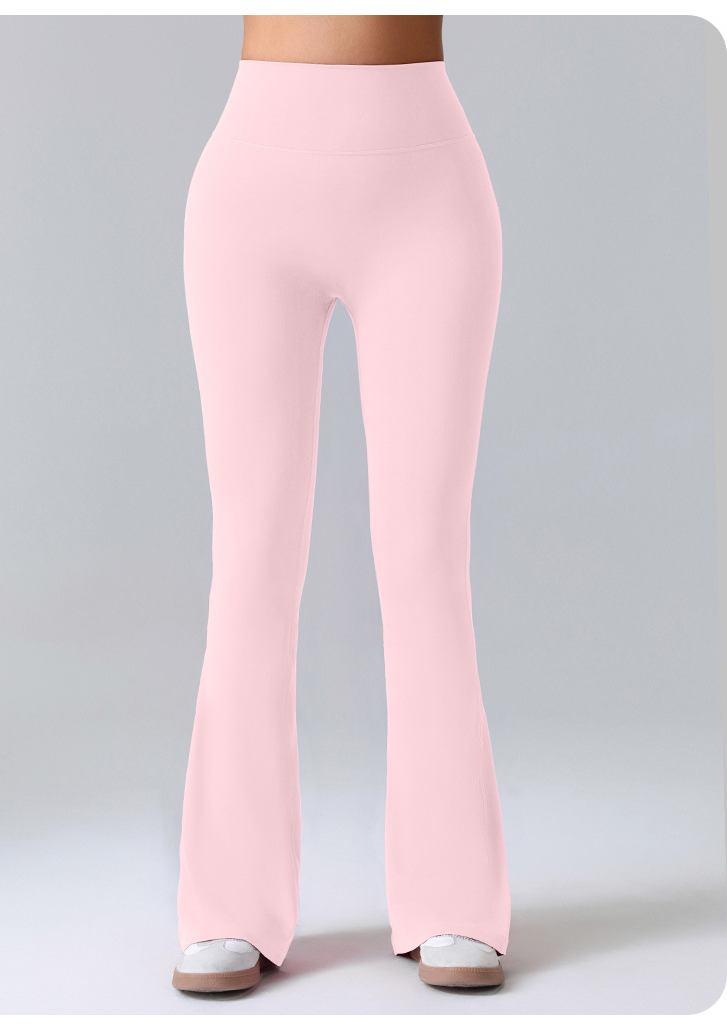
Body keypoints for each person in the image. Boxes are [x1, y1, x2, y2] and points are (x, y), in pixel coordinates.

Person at [172, 15, 511, 993]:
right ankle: (229, 902)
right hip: (249, 191)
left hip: (425, 189)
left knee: (423, 557)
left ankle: (451, 893)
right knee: (249, 559)